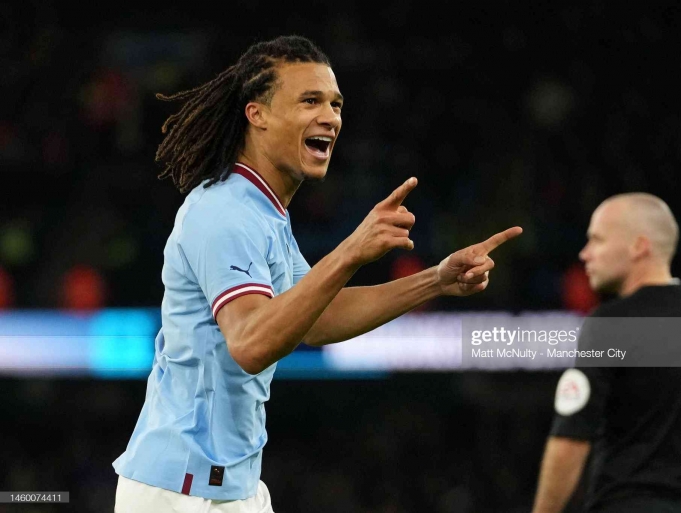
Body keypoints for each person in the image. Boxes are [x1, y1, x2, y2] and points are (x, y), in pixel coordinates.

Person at [112, 35, 522, 512]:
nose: (331, 116)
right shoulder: (223, 211)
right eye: (310, 101)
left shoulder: (264, 211)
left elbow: (318, 317)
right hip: (180, 493)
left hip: (229, 487)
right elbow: (249, 343)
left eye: (336, 104)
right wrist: (351, 250)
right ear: (257, 113)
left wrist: (436, 280)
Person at [531, 193, 681, 513]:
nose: (585, 253)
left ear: (638, 246)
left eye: (597, 240)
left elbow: (571, 440)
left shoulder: (609, 324)